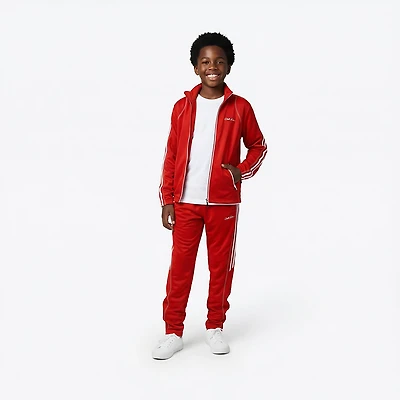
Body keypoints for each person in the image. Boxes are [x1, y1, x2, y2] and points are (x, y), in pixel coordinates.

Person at [153, 32, 267, 360]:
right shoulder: (182, 107)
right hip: (185, 203)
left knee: (220, 268)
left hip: (223, 204)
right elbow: (171, 155)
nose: (212, 67)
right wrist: (168, 200)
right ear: (195, 67)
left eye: (219, 61)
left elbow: (258, 146)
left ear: (228, 66)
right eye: (205, 62)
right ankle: (173, 332)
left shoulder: (240, 107)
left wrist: (239, 171)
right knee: (180, 268)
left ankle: (215, 326)